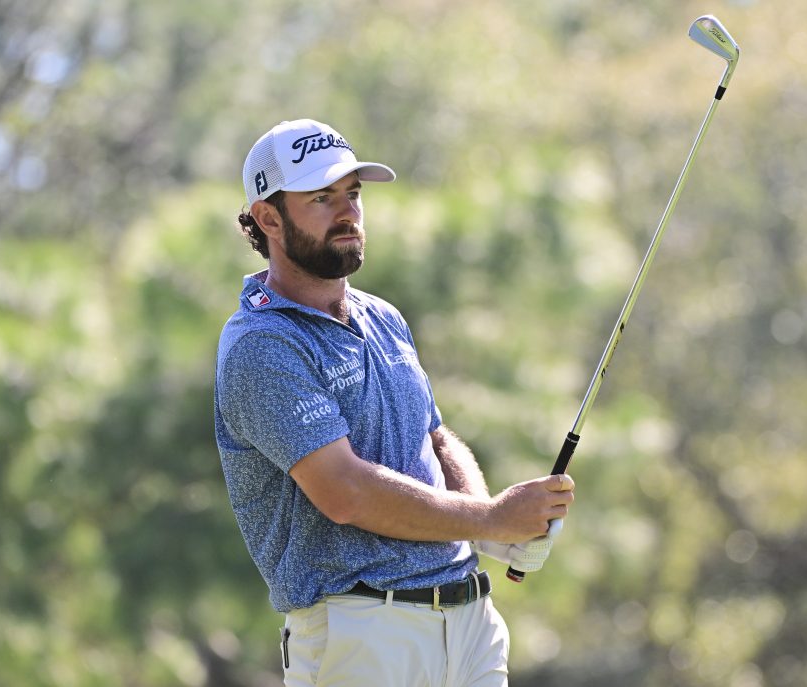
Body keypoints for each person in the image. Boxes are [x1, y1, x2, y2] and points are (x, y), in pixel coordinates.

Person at [214, 118, 575, 686]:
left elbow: (432, 436)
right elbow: (345, 493)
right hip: (363, 634)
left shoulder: (382, 317)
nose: (348, 211)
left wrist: (490, 532)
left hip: (471, 623)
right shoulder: (261, 345)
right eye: (321, 197)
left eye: (353, 193)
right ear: (268, 218)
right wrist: (492, 516)